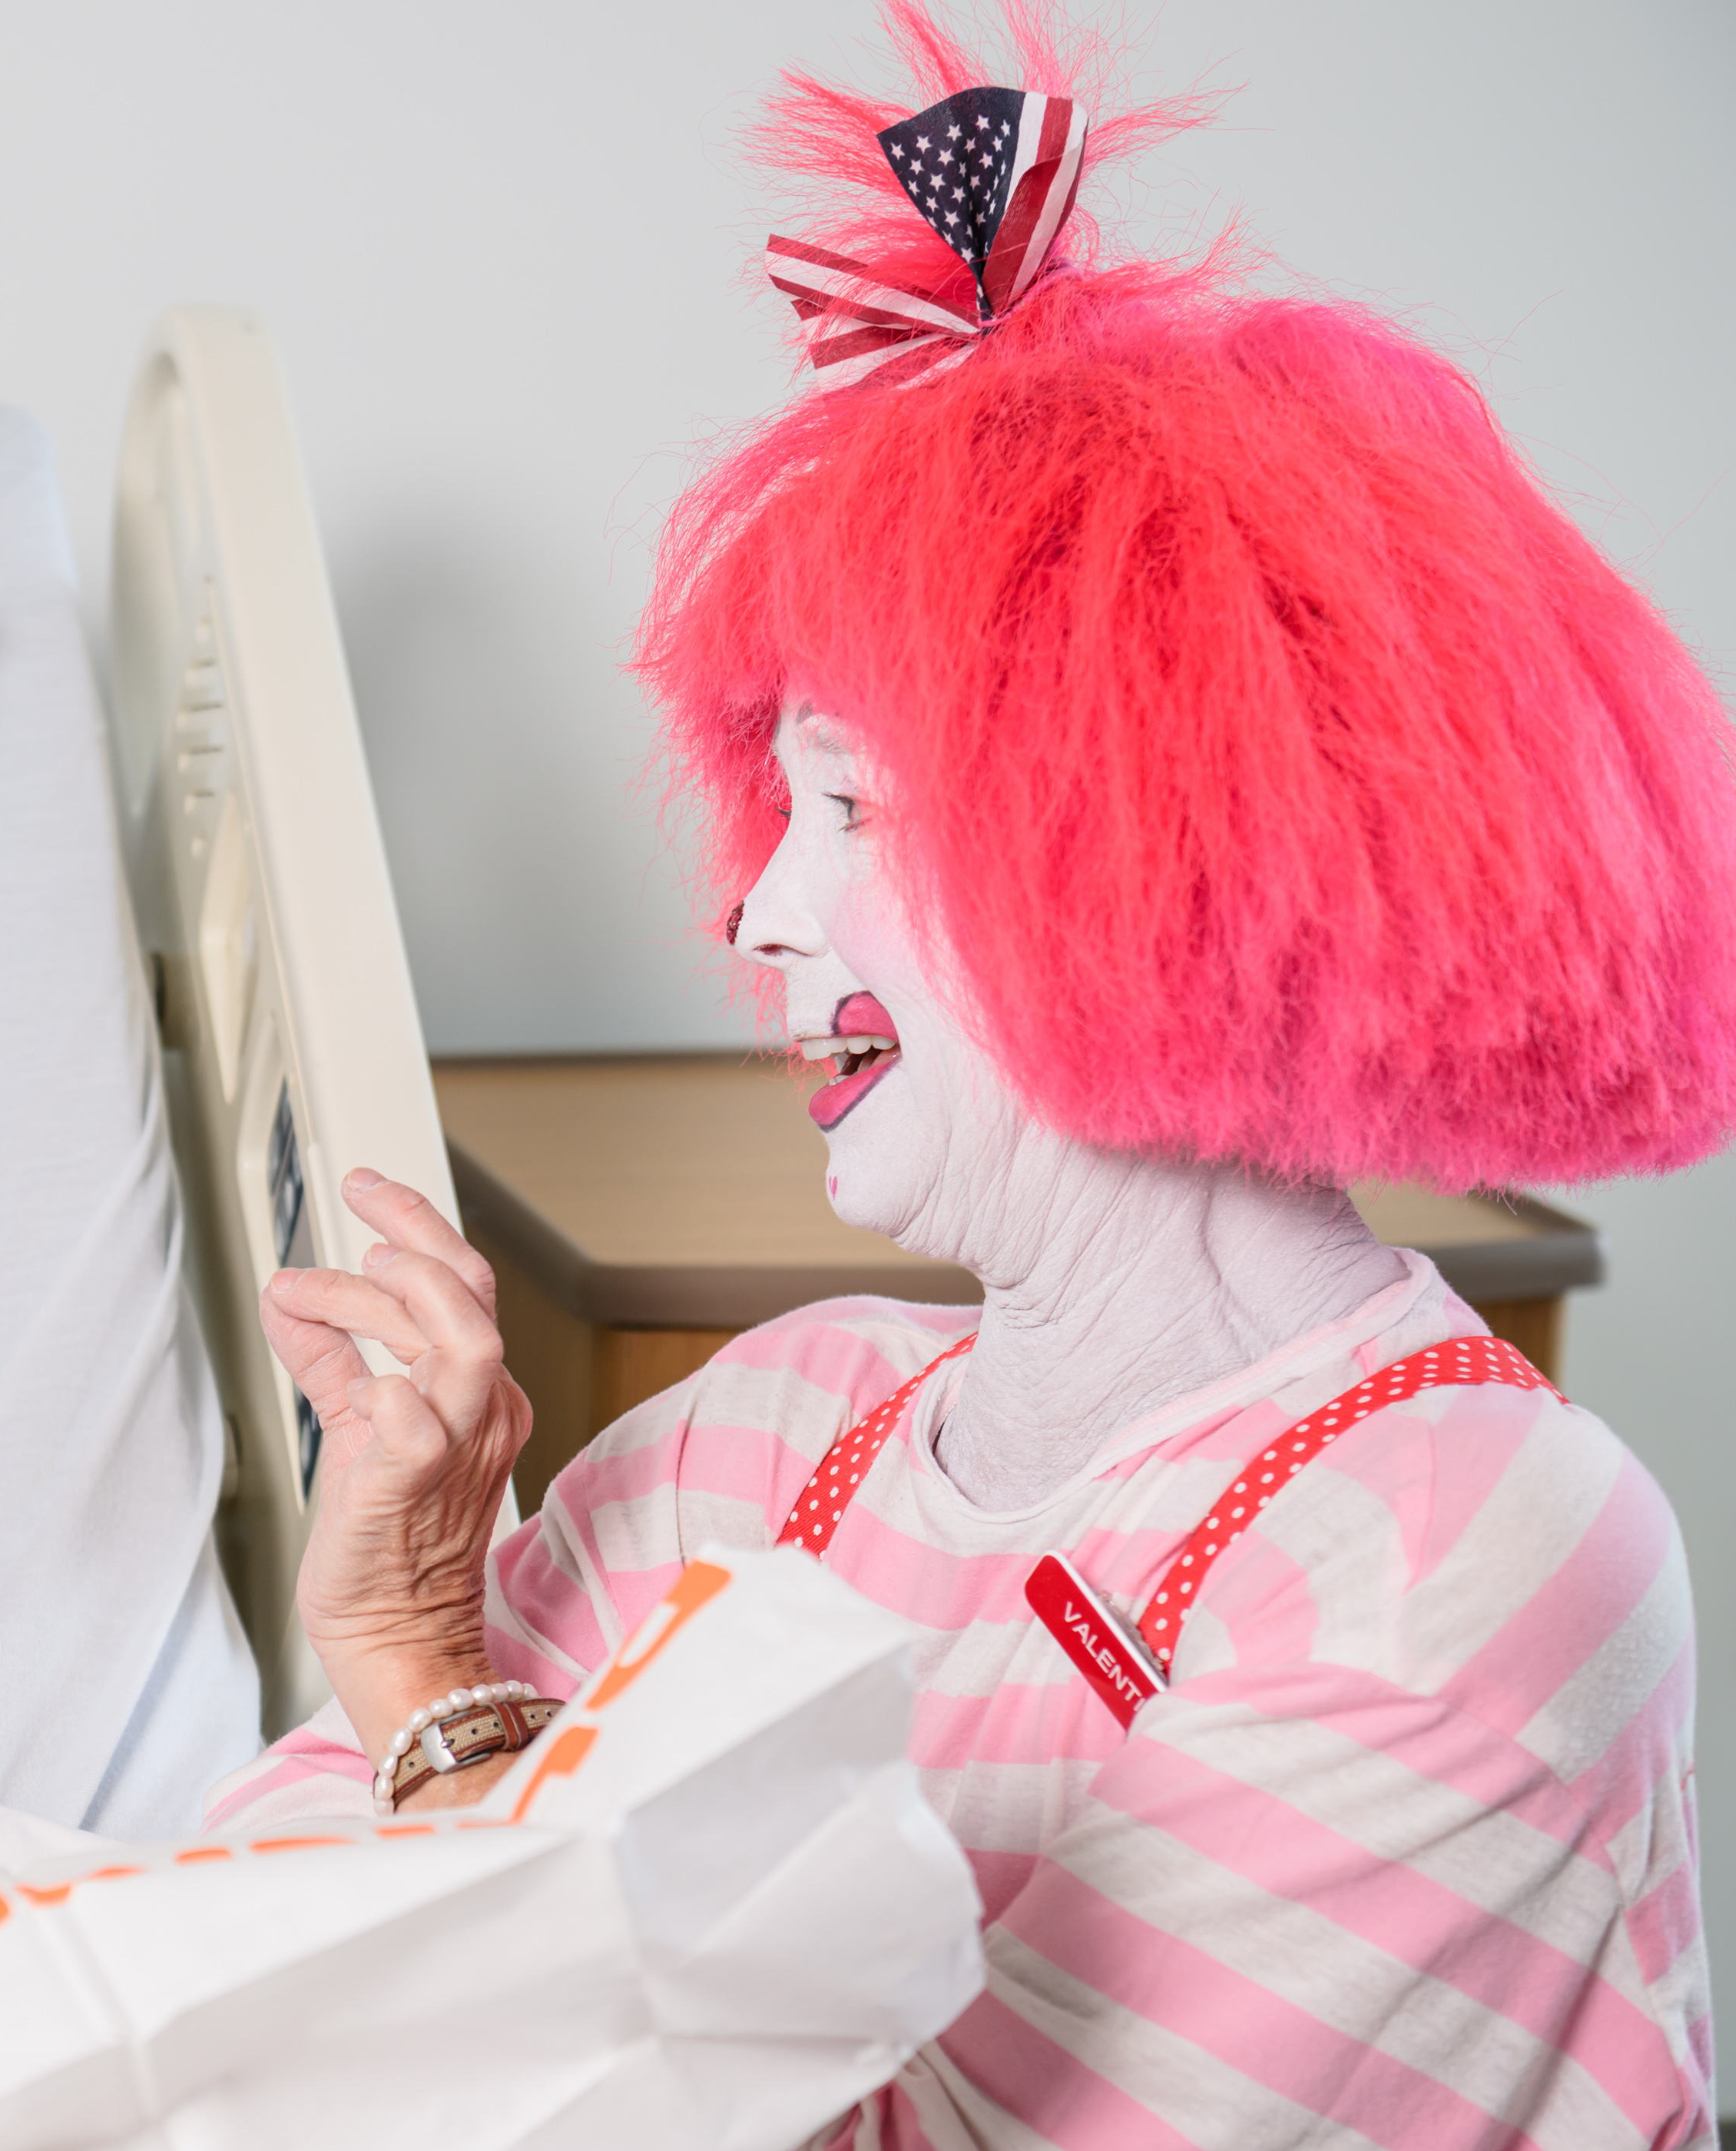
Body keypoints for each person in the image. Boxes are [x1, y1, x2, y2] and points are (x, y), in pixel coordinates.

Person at [211, 9, 1735, 2143]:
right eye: (781, 810)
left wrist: (425, 1678)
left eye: (854, 807)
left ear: (1139, 843)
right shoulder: (769, 1437)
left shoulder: (1464, 1551)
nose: (755, 917)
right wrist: (407, 1663)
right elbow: (242, 1951)